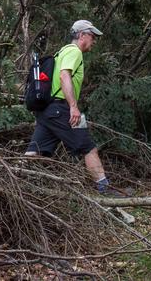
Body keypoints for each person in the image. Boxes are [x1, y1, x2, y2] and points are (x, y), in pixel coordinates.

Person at [25, 19, 114, 194]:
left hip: (47, 111)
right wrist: (73, 106)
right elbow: (64, 76)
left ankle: (12, 180)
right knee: (89, 147)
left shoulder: (62, 51)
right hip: (62, 109)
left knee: (34, 152)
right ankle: (105, 189)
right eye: (92, 36)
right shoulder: (74, 52)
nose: (94, 41)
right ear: (82, 35)